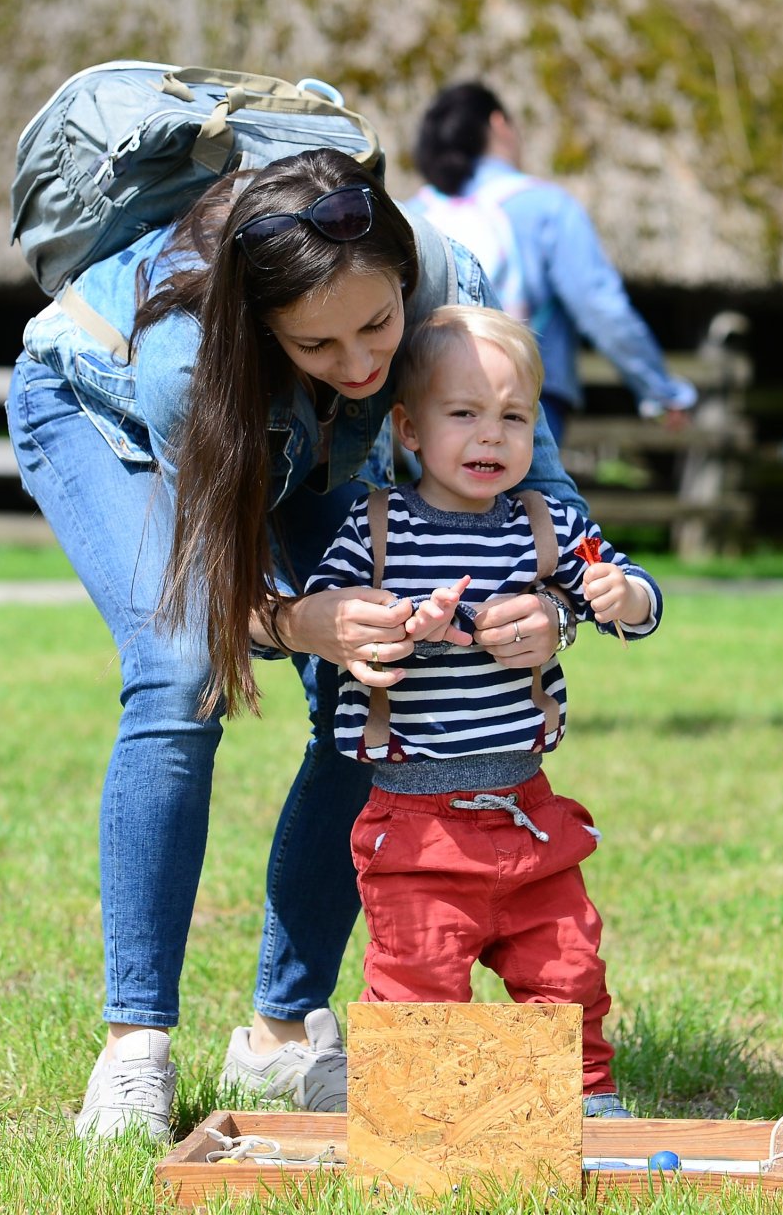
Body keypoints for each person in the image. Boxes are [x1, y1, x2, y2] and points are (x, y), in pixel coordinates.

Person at [7, 148, 591, 1142]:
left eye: (377, 326)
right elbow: (219, 574)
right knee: (180, 668)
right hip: (102, 412)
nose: (363, 363)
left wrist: (554, 606)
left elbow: (548, 500)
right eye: (320, 343)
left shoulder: (452, 292)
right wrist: (297, 617)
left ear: (406, 276)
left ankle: (281, 1033)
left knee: (381, 690)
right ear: (267, 326)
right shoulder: (187, 362)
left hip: (301, 432)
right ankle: (134, 1043)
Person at [304, 305, 664, 1117]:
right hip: (418, 825)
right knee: (420, 980)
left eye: (513, 418)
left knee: (569, 969)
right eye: (463, 415)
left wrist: (619, 594)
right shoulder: (376, 532)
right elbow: (327, 621)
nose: (490, 437)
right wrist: (398, 629)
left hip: (527, 812)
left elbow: (636, 594)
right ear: (409, 429)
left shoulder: (548, 523)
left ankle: (583, 1103)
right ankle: (423, 1115)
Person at [410, 81, 698, 444]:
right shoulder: (547, 207)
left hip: (430, 399)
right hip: (525, 402)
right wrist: (661, 391)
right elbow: (600, 307)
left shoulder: (415, 213)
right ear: (500, 124)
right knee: (535, 502)